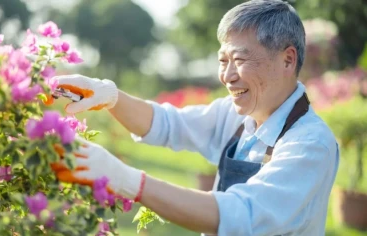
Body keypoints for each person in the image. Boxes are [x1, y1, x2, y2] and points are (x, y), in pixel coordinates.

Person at [51, 0, 339, 235]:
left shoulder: (311, 144)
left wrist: (128, 181)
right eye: (223, 61)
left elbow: (242, 215)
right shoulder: (235, 114)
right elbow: (167, 124)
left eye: (239, 60)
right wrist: (109, 95)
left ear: (287, 59)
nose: (227, 76)